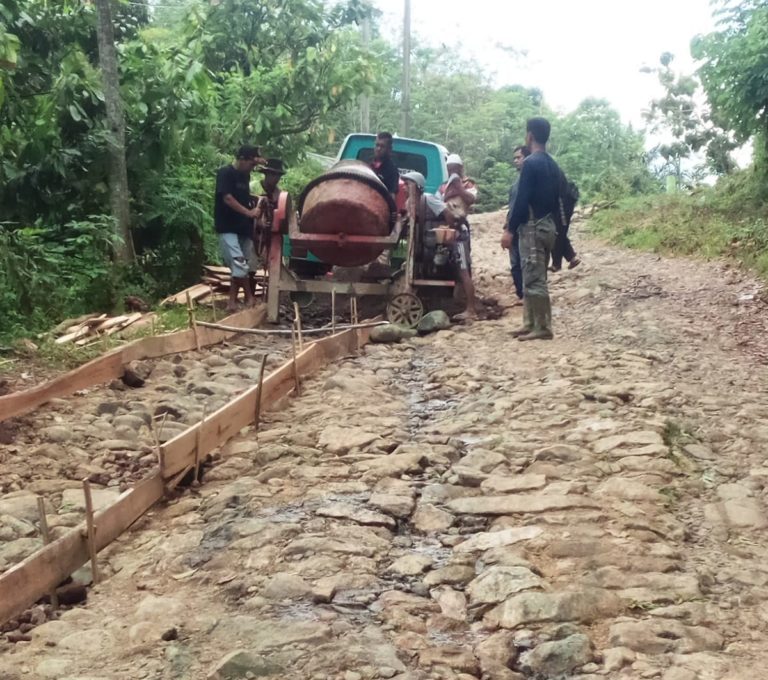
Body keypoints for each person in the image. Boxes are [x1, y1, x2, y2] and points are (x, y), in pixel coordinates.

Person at [501, 117, 560, 341]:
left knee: (534, 278)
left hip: (533, 228)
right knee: (533, 274)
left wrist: (510, 230)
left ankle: (543, 326)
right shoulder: (552, 165)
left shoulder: (531, 164)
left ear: (530, 136)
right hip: (548, 226)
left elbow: (521, 200)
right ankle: (530, 323)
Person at [214, 145, 266, 312]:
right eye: (251, 164)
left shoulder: (245, 175)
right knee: (239, 262)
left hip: (243, 227)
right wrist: (249, 213)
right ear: (242, 159)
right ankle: (250, 298)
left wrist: (256, 202)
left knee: (242, 266)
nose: (252, 168)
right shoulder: (225, 173)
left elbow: (241, 197)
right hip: (227, 226)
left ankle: (232, 302)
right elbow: (228, 198)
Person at [435, 154, 479, 321]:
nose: (452, 171)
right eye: (450, 169)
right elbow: (439, 201)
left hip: (460, 230)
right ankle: (461, 301)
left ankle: (471, 308)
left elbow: (471, 199)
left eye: (454, 168)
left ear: (460, 168)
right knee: (453, 267)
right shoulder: (444, 186)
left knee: (464, 269)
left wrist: (458, 187)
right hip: (449, 230)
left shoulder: (468, 184)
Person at [504, 145, 531, 303]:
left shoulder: (527, 181)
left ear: (526, 158)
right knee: (515, 263)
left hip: (523, 226)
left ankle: (526, 294)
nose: (516, 161)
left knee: (523, 261)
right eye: (514, 158)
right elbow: (512, 206)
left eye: (518, 157)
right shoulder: (516, 182)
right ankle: (521, 293)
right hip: (513, 225)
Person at [254, 158, 286, 264]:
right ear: (266, 174)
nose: (275, 178)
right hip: (252, 233)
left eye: (278, 176)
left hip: (271, 234)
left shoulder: (280, 194)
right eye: (273, 175)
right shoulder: (254, 188)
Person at [550, 172, 581, 272]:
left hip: (561, 206)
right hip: (559, 206)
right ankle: (572, 258)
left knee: (557, 233)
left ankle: (557, 264)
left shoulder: (549, 170)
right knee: (559, 233)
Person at [370, 132, 400, 196]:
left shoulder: (392, 170)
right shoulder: (366, 162)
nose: (378, 149)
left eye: (382, 146)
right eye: (377, 145)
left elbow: (392, 195)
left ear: (389, 149)